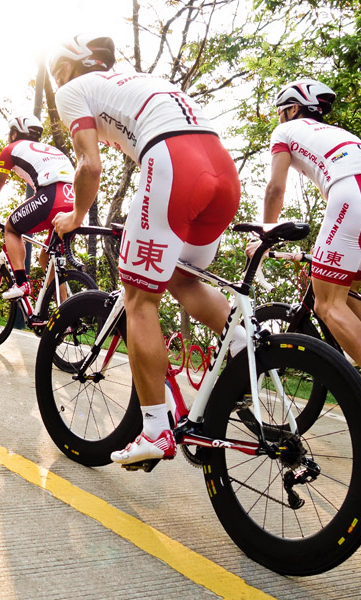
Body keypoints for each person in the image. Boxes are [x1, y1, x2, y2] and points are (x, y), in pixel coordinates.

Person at [48, 35, 241, 466]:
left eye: (58, 72)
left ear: (70, 67)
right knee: (180, 276)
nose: (58, 81)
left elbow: (89, 165)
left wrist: (78, 215)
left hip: (175, 163)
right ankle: (249, 351)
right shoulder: (137, 81)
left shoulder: (72, 90)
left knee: (138, 298)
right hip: (221, 168)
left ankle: (155, 429)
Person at [257, 78, 361, 414]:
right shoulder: (341, 135)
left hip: (353, 198)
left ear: (292, 109)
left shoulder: (286, 131)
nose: (279, 119)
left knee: (326, 303)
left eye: (281, 112)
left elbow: (275, 190)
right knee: (348, 294)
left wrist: (264, 235)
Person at [0, 115, 76, 300]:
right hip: (75, 202)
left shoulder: (11, 149)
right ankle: (65, 319)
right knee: (47, 259)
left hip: (52, 197)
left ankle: (22, 283)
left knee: (11, 228)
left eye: (10, 132)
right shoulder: (52, 150)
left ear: (14, 133)